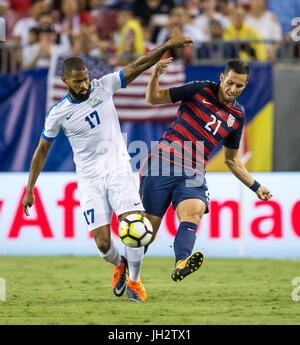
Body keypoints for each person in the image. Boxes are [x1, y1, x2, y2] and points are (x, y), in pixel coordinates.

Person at [22, 34, 193, 302]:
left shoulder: (103, 87)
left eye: (86, 78)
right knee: (103, 245)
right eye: (77, 81)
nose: (84, 84)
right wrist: (30, 188)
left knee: (135, 227)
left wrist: (166, 46)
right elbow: (42, 150)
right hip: (89, 178)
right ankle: (120, 265)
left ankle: (135, 283)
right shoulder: (57, 113)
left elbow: (137, 66)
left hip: (118, 168)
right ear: (65, 81)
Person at [141, 58, 272, 282]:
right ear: (222, 78)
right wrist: (155, 76)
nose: (233, 89)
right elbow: (153, 98)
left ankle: (182, 261)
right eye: (230, 82)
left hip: (193, 171)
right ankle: (125, 270)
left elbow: (232, 160)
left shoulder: (237, 117)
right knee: (148, 231)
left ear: (245, 85)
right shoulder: (200, 89)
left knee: (194, 210)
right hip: (163, 162)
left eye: (239, 86)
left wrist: (256, 186)